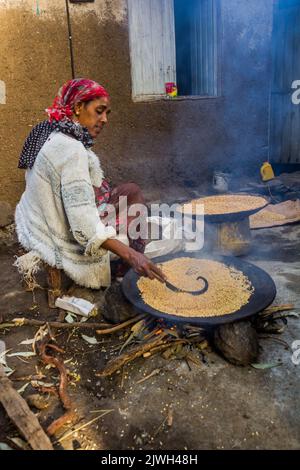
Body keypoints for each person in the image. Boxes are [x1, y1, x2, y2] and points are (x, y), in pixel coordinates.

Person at [15, 78, 165, 289]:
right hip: (57, 233)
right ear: (77, 108)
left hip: (39, 219)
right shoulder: (71, 150)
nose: (104, 119)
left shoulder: (51, 131)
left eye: (106, 113)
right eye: (99, 111)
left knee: (131, 191)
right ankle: (128, 268)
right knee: (135, 213)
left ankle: (132, 257)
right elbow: (84, 226)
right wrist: (131, 255)